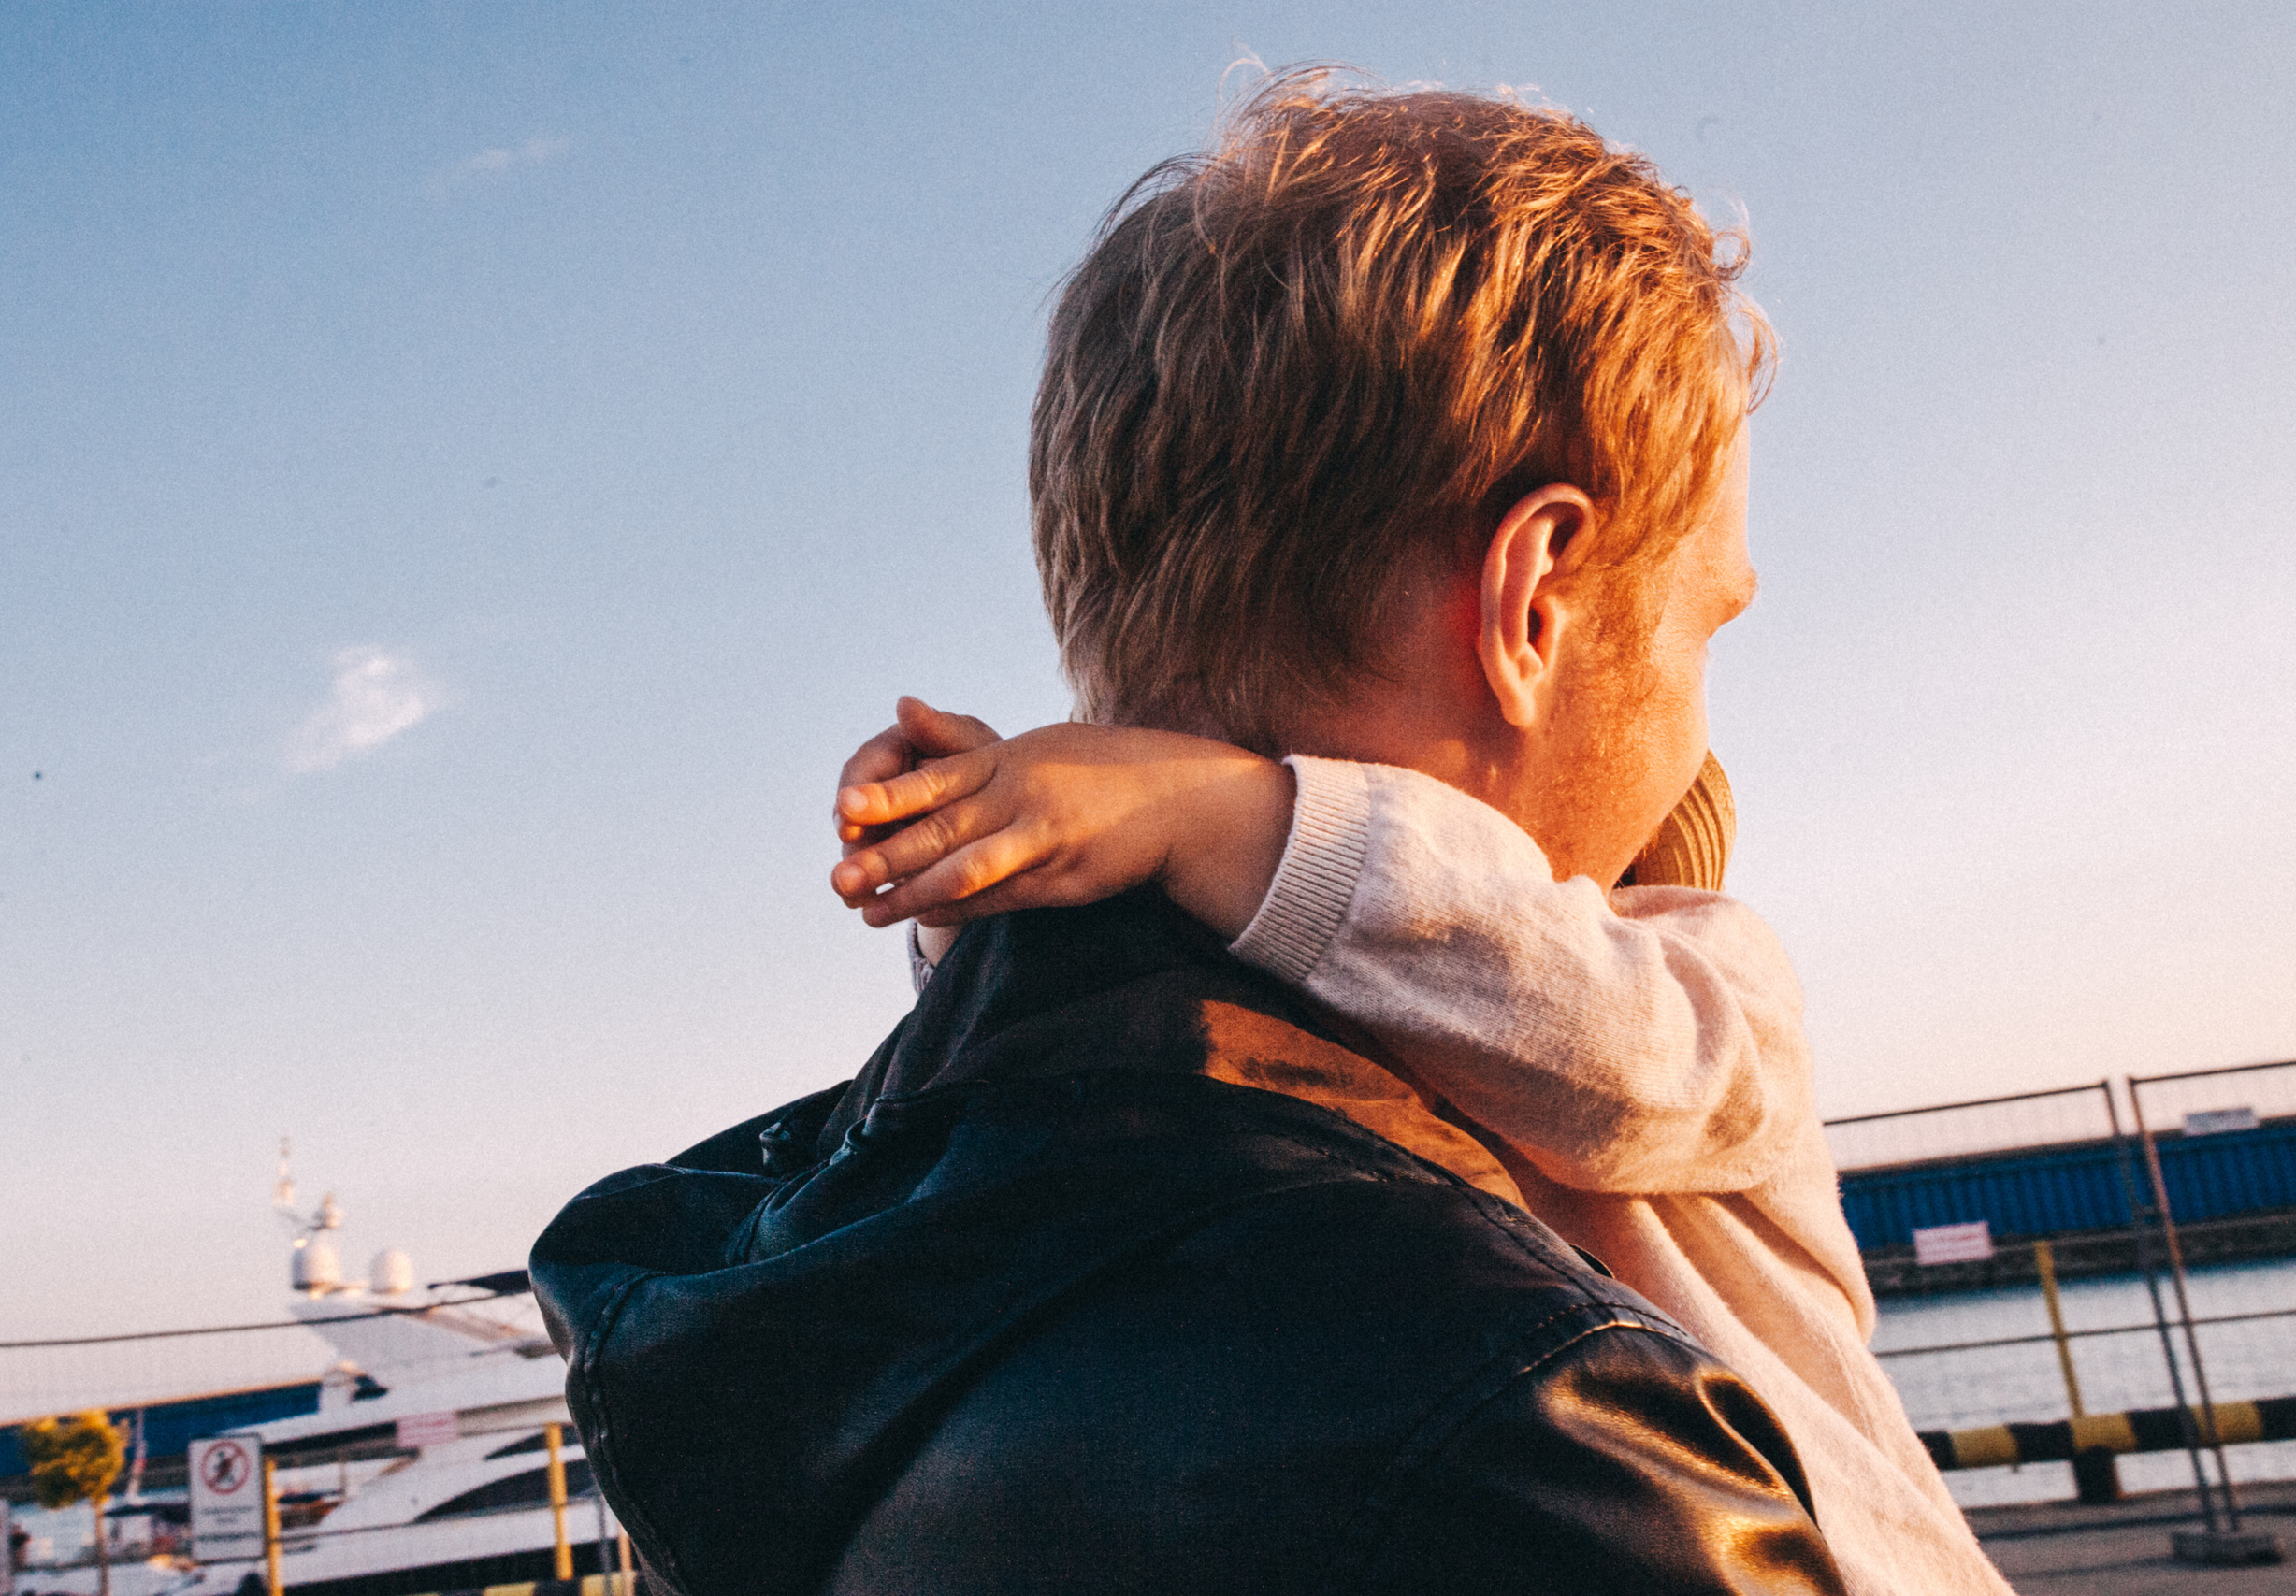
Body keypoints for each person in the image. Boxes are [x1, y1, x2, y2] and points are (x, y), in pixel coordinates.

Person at [535, 73, 1859, 1595]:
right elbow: (1587, 1016)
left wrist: (1016, 904)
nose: (1701, 725)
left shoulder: (821, 1298)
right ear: (1533, 597)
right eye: (1708, 627)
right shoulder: (1536, 1428)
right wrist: (1231, 814)